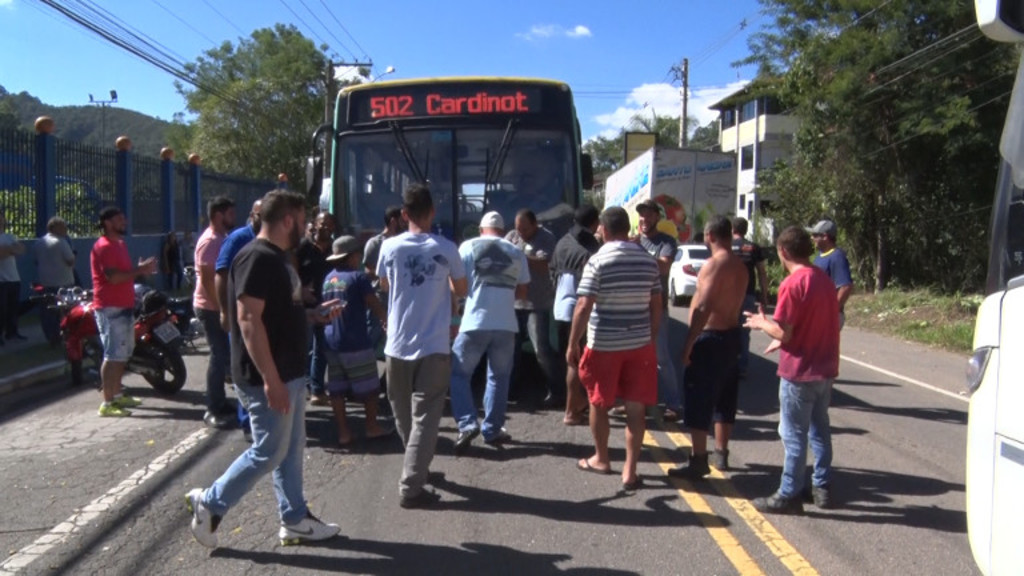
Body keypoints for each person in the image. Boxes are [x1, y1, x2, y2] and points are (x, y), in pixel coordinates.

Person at [185, 190, 343, 549]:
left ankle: (295, 519)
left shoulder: (277, 258)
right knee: (269, 450)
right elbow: (249, 321)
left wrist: (312, 315)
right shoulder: (257, 257)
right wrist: (272, 380)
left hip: (289, 370)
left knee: (290, 448)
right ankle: (209, 502)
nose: (306, 228)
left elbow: (277, 313)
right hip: (266, 376)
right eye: (303, 221)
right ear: (288, 220)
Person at [377, 184, 467, 509]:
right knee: (426, 417)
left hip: (396, 344)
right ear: (432, 212)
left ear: (403, 214)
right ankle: (413, 483)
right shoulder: (446, 248)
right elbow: (461, 287)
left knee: (404, 414)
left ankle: (416, 468)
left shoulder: (389, 247)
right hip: (434, 344)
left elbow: (385, 284)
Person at [744, 226, 840, 514]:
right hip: (825, 368)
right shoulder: (823, 279)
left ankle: (789, 493)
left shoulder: (792, 283)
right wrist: (781, 338)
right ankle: (821, 486)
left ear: (783, 252)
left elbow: (785, 332)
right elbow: (810, 325)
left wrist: (762, 324)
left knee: (793, 433)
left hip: (799, 371)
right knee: (820, 429)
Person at [568, 206, 661, 491]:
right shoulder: (649, 261)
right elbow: (657, 304)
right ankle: (630, 471)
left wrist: (573, 342)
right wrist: (651, 337)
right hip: (639, 344)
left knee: (599, 402)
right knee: (636, 407)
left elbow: (584, 305)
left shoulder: (597, 261)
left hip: (605, 344)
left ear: (604, 230)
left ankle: (602, 458)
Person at [669, 215, 748, 477]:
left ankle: (699, 459)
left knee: (699, 398)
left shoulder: (715, 264)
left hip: (711, 337)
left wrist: (689, 343)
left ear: (710, 236)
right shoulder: (739, 265)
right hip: (731, 336)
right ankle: (721, 452)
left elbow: (703, 306)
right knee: (725, 397)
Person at [450, 211, 530, 455]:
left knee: (458, 373)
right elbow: (522, 292)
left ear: (481, 229)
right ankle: (492, 429)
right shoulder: (516, 251)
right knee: (499, 377)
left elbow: (457, 286)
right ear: (503, 230)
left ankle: (466, 423)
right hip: (506, 324)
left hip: (474, 322)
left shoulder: (468, 246)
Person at [321, 235, 391, 447]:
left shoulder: (329, 278)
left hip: (331, 341)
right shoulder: (358, 278)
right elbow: (373, 303)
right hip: (355, 342)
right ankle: (371, 427)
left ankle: (344, 433)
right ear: (352, 256)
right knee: (370, 389)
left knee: (338, 390)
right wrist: (386, 320)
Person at [90, 206, 157, 417]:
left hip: (124, 305)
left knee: (123, 354)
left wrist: (138, 269)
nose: (124, 222)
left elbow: (124, 274)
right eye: (120, 219)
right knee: (112, 356)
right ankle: (108, 403)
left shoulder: (119, 244)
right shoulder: (104, 246)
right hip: (110, 308)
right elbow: (113, 277)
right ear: (108, 223)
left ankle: (117, 394)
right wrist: (140, 270)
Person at [551, 204, 601, 426]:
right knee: (579, 362)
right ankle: (573, 410)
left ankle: (576, 405)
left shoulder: (562, 242)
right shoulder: (590, 246)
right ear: (594, 223)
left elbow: (552, 271)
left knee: (571, 359)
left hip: (561, 308)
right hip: (581, 309)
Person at [216, 198, 262, 439]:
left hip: (261, 314)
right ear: (251, 215)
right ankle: (247, 423)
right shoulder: (238, 238)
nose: (261, 220)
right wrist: (224, 310)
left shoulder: (268, 238)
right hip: (240, 314)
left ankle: (260, 416)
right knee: (245, 366)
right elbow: (221, 274)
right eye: (258, 215)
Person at [506, 208, 561, 406]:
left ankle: (556, 390)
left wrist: (520, 256)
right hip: (513, 302)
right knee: (511, 349)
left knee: (541, 349)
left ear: (535, 225)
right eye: (517, 229)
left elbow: (545, 264)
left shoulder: (545, 238)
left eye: (525, 229)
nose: (520, 233)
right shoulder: (512, 236)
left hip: (536, 302)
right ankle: (510, 389)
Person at [635, 199, 683, 421]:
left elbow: (663, 266)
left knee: (661, 357)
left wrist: (634, 254)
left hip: (657, 309)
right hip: (634, 308)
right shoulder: (633, 242)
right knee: (635, 358)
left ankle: (673, 403)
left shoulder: (667, 242)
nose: (644, 219)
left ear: (657, 217)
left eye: (648, 215)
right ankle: (637, 401)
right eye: (641, 216)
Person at [194, 196, 237, 430]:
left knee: (223, 355)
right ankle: (212, 407)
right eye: (230, 214)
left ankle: (220, 401)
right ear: (218, 216)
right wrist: (222, 309)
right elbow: (209, 279)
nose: (233, 218)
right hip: (209, 307)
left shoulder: (222, 238)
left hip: (218, 306)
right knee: (218, 355)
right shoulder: (210, 241)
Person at [297, 211, 336, 406]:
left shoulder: (334, 251)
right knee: (304, 347)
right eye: (321, 223)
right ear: (314, 225)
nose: (324, 228)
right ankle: (304, 384)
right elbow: (293, 271)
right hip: (305, 305)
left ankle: (317, 389)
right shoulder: (304, 247)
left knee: (322, 348)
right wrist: (300, 289)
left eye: (328, 225)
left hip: (326, 304)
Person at [731, 216, 770, 378]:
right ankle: (742, 366)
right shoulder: (753, 248)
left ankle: (727, 364)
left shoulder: (726, 246)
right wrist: (765, 295)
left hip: (728, 294)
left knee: (726, 329)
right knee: (744, 331)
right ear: (746, 230)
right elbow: (761, 272)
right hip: (747, 293)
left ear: (732, 230)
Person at [33, 216, 76, 345]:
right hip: (64, 282)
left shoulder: (38, 243)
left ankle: (51, 337)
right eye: (63, 227)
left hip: (46, 282)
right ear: (55, 227)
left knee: (48, 312)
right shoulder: (61, 242)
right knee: (66, 311)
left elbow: (36, 261)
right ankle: (64, 335)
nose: (65, 230)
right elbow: (70, 260)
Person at [809, 219, 853, 330]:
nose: (812, 238)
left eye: (815, 235)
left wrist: (831, 311)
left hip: (829, 315)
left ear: (825, 237)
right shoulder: (820, 256)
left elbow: (845, 286)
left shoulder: (837, 257)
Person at [0, 208, 26, 345]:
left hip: (14, 278)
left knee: (13, 308)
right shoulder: (9, 240)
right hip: (1, 280)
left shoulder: (10, 236)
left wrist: (8, 249)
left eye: (1, 217)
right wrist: (11, 249)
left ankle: (12, 332)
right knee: (1, 310)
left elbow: (21, 249)